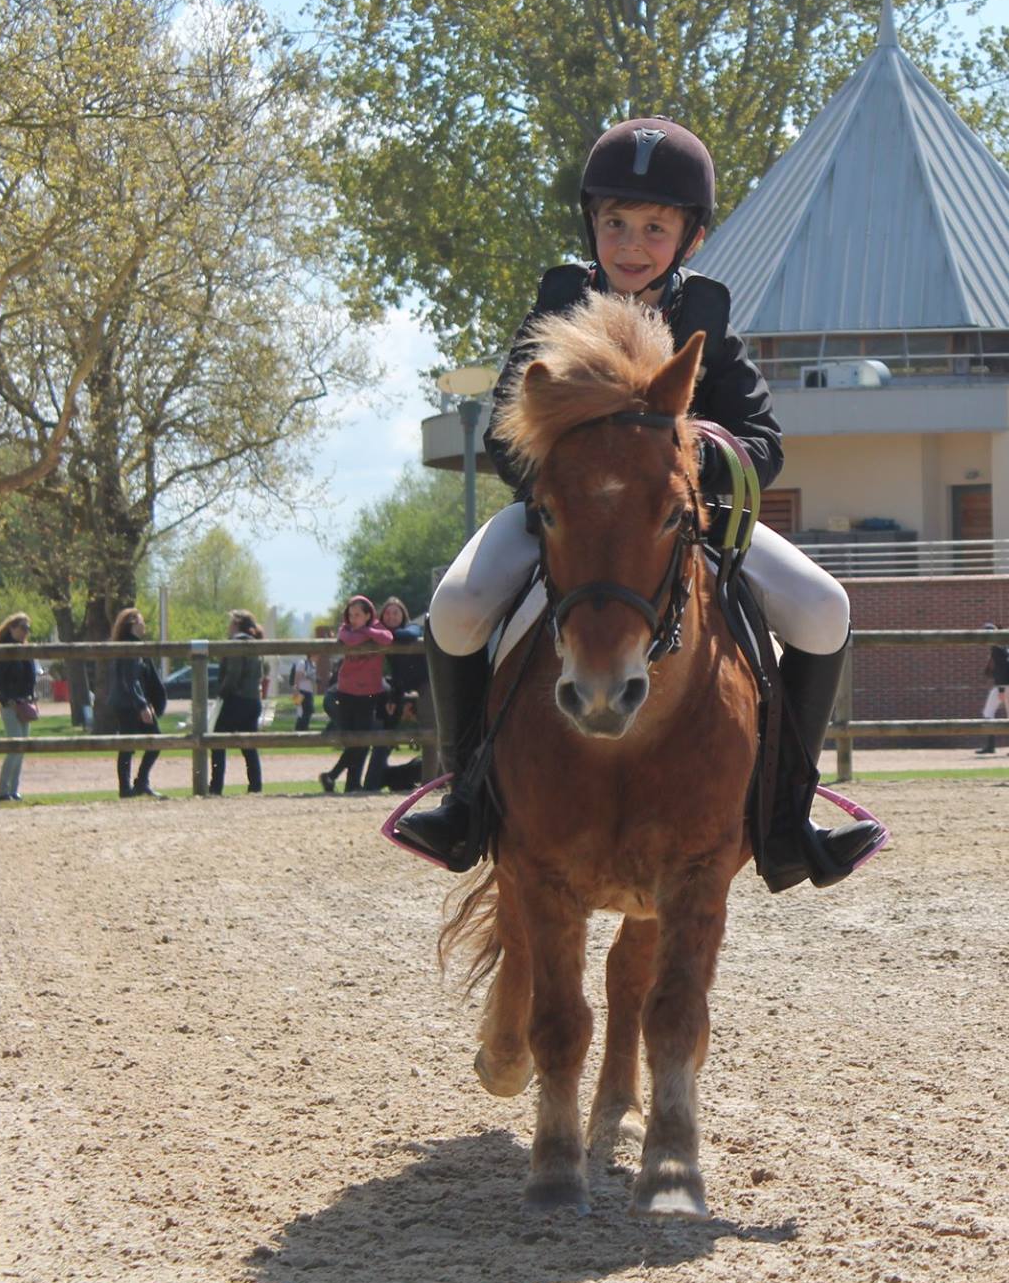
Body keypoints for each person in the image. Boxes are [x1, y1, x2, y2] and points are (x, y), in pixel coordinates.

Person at [397, 116, 880, 891]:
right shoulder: (560, 307)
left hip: (687, 526)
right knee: (456, 607)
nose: (630, 244)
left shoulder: (706, 319)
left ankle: (786, 815)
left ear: (689, 239)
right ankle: (466, 801)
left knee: (824, 606)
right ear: (591, 225)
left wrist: (699, 461)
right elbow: (502, 431)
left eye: (654, 227)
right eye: (614, 223)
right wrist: (573, 486)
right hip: (563, 526)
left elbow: (763, 438)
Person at [318, 596, 392, 794]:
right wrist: (367, 633)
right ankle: (346, 781)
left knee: (361, 739)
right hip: (347, 691)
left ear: (368, 614)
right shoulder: (346, 630)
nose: (353, 619)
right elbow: (350, 639)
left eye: (358, 615)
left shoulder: (377, 628)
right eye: (350, 615)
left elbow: (388, 639)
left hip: (369, 692)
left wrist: (366, 630)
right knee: (354, 740)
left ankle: (337, 778)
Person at [365, 596, 427, 791]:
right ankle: (372, 783)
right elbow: (397, 672)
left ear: (403, 615)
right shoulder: (381, 638)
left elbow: (410, 635)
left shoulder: (410, 629)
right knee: (385, 732)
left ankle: (431, 780)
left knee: (431, 731)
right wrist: (394, 696)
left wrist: (385, 634)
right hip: (397, 688)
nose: (391, 616)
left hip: (425, 682)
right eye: (388, 613)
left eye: (396, 612)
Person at [106, 606, 166, 797]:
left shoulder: (137, 645)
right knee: (129, 745)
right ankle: (126, 788)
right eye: (141, 621)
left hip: (135, 702)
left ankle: (140, 782)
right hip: (127, 704)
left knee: (153, 741)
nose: (144, 625)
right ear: (133, 624)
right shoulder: (129, 647)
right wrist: (142, 705)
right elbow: (129, 681)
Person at [211, 609, 265, 795]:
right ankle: (255, 785)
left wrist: (222, 693)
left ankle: (216, 786)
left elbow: (233, 674)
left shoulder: (236, 644)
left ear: (236, 624)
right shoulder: (256, 645)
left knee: (217, 740)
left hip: (237, 699)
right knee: (249, 746)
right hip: (253, 700)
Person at [0, 611, 38, 801]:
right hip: (10, 705)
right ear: (12, 628)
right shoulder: (5, 651)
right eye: (23, 628)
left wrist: (31, 697)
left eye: (28, 628)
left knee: (21, 747)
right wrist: (8, 700)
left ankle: (14, 789)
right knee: (14, 746)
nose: (26, 632)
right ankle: (3, 790)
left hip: (25, 703)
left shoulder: (26, 650)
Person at [975, 622, 1009, 757]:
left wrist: (1001, 689)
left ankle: (990, 746)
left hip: (1002, 685)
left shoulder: (996, 648)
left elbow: (1000, 669)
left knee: (988, 712)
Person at [290, 650, 319, 731]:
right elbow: (297, 678)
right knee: (302, 713)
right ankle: (299, 730)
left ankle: (304, 729)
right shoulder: (302, 663)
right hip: (301, 691)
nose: (318, 657)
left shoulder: (313, 665)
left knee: (309, 711)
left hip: (309, 692)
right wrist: (296, 691)